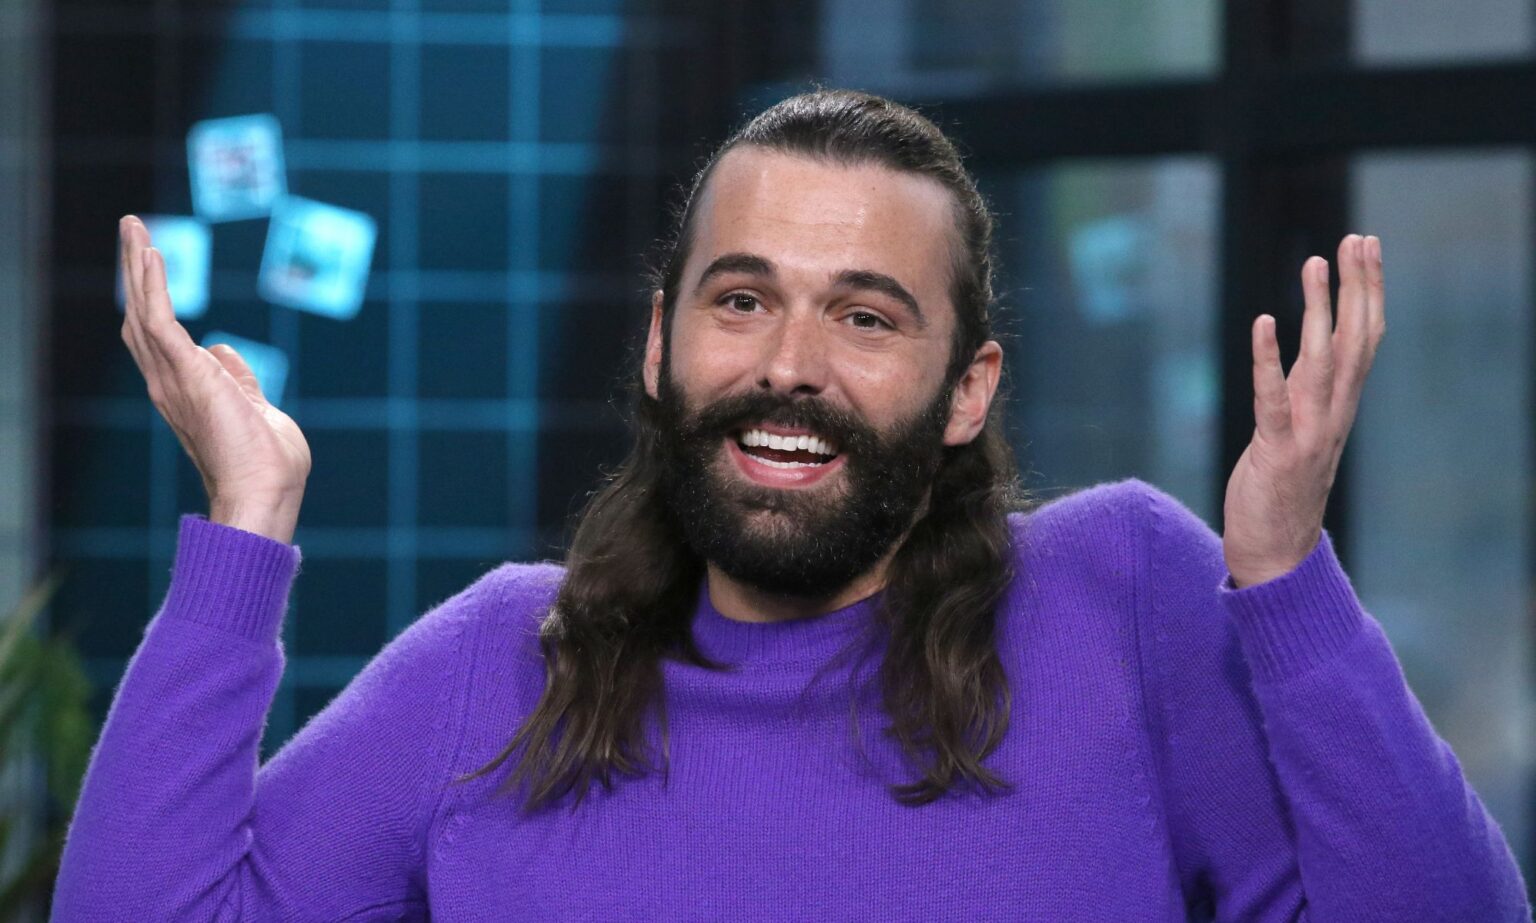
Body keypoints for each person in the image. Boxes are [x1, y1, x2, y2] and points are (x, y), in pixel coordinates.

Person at [52, 90, 1528, 921]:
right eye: (741, 298)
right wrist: (246, 527)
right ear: (659, 342)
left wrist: (1284, 588)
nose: (788, 368)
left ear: (967, 389)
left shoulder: (1126, 594)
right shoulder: (504, 661)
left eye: (868, 318)